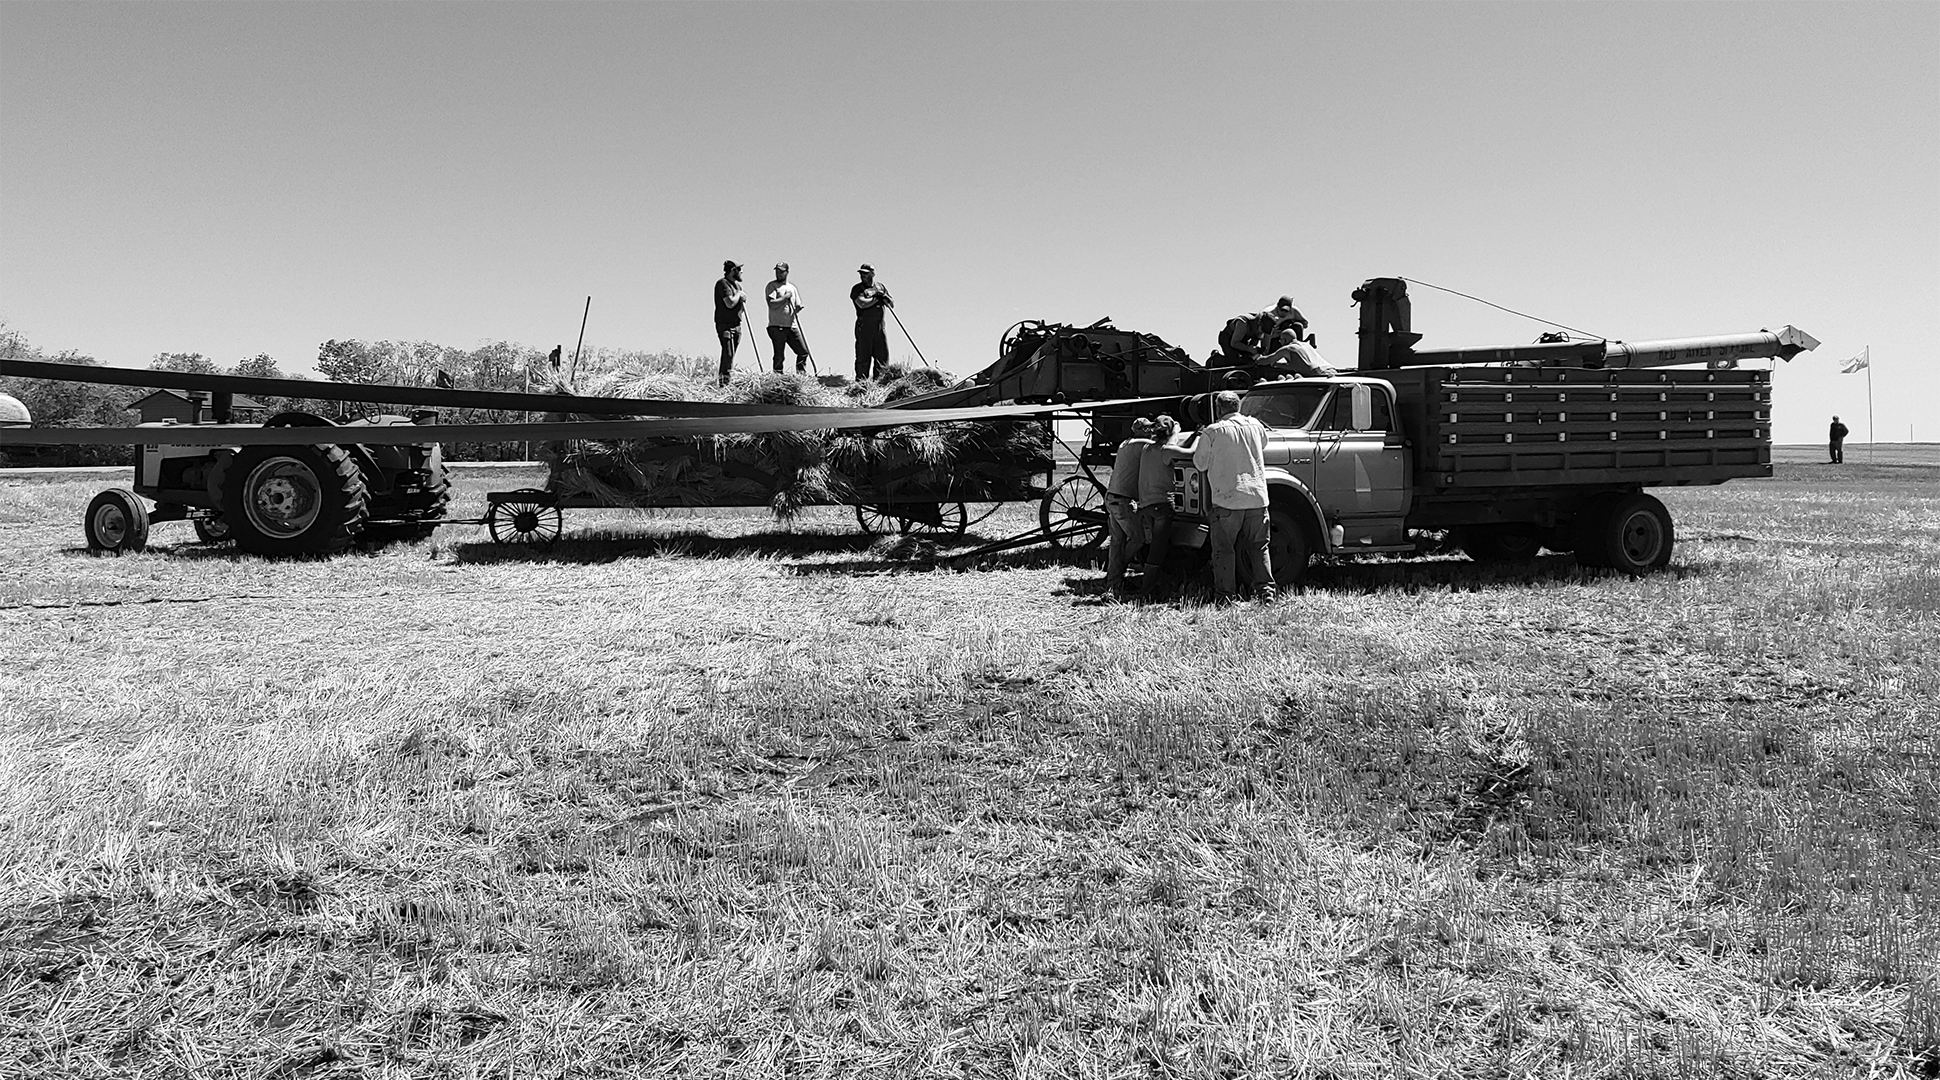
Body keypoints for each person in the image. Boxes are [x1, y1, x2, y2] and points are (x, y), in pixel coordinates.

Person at [1191, 390, 1275, 602]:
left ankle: (1226, 596)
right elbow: (1264, 445)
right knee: (1259, 548)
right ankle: (1266, 593)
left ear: (1219, 409)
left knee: (1224, 550)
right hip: (1257, 497)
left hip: (1227, 499)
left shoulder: (1212, 432)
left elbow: (1200, 464)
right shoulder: (1256, 425)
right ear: (1238, 406)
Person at [1103, 418, 1156, 594]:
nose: (1150, 431)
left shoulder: (1125, 444)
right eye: (1148, 428)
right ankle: (1119, 571)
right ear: (1140, 430)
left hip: (1113, 498)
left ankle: (1112, 582)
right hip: (1123, 501)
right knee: (1138, 538)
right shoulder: (1142, 443)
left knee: (1117, 542)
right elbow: (1161, 448)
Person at [1135, 414, 1181, 597]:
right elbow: (1190, 452)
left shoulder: (1147, 448)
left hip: (1146, 504)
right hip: (1163, 504)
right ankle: (1148, 588)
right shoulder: (1167, 450)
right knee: (1158, 547)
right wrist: (1181, 431)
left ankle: (1148, 580)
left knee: (1151, 543)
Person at [1215, 296, 1304, 367]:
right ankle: (1215, 358)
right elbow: (1234, 343)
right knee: (1234, 361)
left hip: (1244, 339)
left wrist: (1261, 354)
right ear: (1259, 324)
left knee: (1247, 360)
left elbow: (1264, 346)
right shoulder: (1243, 323)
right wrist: (1249, 348)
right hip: (1228, 338)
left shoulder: (1265, 327)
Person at [765, 262, 811, 374]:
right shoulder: (772, 286)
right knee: (779, 354)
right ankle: (777, 377)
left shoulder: (792, 288)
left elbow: (797, 306)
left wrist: (798, 308)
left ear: (787, 272)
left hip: (791, 325)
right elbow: (771, 303)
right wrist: (785, 297)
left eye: (781, 272)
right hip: (777, 326)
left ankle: (801, 375)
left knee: (803, 352)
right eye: (777, 271)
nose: (778, 274)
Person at [851, 264, 893, 382]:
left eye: (865, 273)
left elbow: (891, 304)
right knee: (863, 358)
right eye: (861, 273)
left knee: (882, 358)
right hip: (864, 328)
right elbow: (862, 303)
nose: (862, 276)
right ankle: (862, 384)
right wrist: (876, 299)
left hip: (879, 327)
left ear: (872, 274)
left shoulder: (880, 287)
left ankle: (880, 384)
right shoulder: (857, 289)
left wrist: (884, 296)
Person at [713, 260, 747, 386]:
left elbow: (738, 306)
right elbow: (730, 303)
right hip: (725, 325)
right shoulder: (722, 284)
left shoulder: (738, 286)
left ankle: (727, 381)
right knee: (728, 353)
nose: (741, 272)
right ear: (733, 270)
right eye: (739, 269)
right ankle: (723, 384)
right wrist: (739, 295)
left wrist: (742, 302)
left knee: (731, 356)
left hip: (736, 324)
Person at [1259, 327, 1338, 377]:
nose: (1280, 342)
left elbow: (1267, 360)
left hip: (1320, 376)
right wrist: (1277, 365)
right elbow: (1296, 366)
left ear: (1285, 340)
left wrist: (1256, 357)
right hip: (1331, 371)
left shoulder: (1288, 348)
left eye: (1281, 340)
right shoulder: (1306, 345)